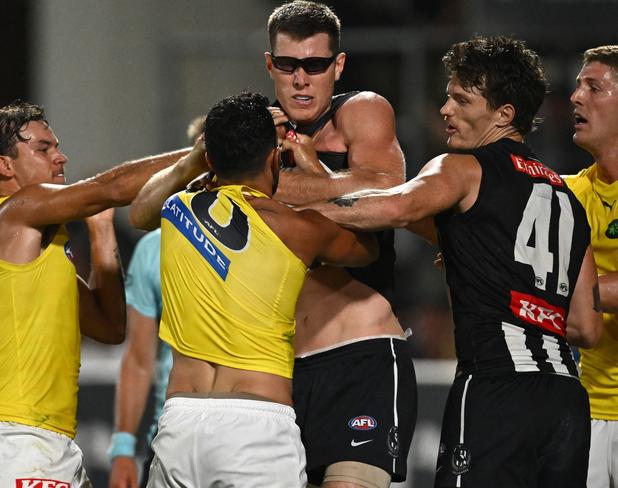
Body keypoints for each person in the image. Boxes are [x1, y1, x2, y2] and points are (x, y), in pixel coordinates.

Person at [305, 36, 603, 488]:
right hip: (565, 401)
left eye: (461, 99)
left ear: (504, 114)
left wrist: (290, 217)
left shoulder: (460, 169)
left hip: (496, 385)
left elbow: (395, 207)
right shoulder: (567, 199)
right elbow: (587, 325)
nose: (445, 109)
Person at [128, 91, 379, 488]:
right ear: (272, 157)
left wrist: (196, 159)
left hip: (180, 423)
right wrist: (316, 175)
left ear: (210, 158)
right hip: (255, 428)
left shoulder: (178, 208)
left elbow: (139, 210)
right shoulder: (300, 229)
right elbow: (368, 250)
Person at [0, 101, 189, 487]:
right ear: (5, 166)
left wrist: (102, 230)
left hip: (44, 441)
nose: (60, 156)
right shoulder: (15, 210)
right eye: (43, 149)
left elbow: (109, 326)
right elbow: (111, 188)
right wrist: (205, 154)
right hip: (21, 439)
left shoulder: (33, 249)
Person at [265, 2, 417, 486]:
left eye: (315, 65)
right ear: (271, 65)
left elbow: (387, 189)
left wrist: (289, 184)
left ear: (339, 65)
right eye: (288, 65)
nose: (301, 80)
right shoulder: (255, 129)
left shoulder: (361, 109)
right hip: (278, 369)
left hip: (360, 359)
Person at [108, 115, 204, 488]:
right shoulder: (153, 249)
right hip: (169, 434)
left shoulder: (278, 238)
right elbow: (139, 357)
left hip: (253, 429)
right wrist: (122, 448)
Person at [565, 45, 618, 488]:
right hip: (590, 415)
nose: (575, 96)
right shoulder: (567, 194)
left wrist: (550, 287)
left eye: (593, 87)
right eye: (578, 85)